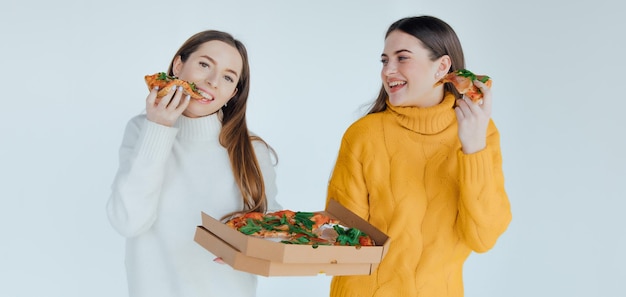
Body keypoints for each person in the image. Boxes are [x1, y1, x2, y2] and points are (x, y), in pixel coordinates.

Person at [325, 15, 512, 297]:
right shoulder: (364, 135)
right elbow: (344, 240)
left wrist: (473, 149)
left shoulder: (481, 133)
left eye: (402, 58)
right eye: (385, 60)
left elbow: (483, 237)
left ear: (442, 67)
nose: (389, 70)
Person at [106, 30, 281, 297]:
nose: (212, 81)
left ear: (233, 93)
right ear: (178, 65)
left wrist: (256, 244)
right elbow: (128, 222)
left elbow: (274, 229)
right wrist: (159, 129)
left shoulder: (252, 150)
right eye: (204, 65)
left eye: (227, 76)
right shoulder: (142, 131)